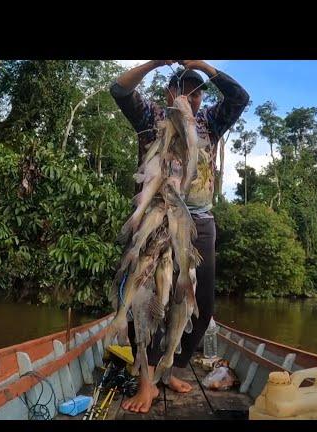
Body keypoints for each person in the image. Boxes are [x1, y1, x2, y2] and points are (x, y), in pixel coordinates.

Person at [109, 60, 249, 413]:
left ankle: (170, 367)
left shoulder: (211, 123)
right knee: (147, 299)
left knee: (199, 305)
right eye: (184, 87)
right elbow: (119, 89)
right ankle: (146, 382)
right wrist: (156, 62)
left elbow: (239, 96)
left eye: (198, 89)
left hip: (199, 221)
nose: (192, 94)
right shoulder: (150, 118)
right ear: (169, 92)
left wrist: (202, 65)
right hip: (156, 216)